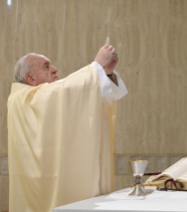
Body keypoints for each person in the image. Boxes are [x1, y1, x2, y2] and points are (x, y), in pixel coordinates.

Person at [7, 44, 127, 212]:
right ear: (31, 79)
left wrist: (104, 74)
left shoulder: (47, 99)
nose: (55, 69)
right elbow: (63, 91)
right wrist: (96, 68)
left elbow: (72, 94)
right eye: (46, 67)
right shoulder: (24, 99)